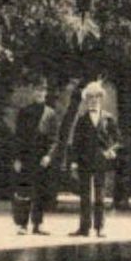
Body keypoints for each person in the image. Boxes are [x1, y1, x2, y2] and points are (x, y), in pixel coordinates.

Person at [68, 80, 121, 238]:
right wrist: (74, 162)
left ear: (100, 99)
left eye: (96, 97)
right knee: (84, 195)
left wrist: (112, 150)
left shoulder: (108, 118)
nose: (93, 100)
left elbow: (118, 140)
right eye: (90, 97)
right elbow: (76, 142)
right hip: (84, 161)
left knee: (100, 195)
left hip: (100, 161)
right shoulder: (82, 118)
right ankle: (84, 228)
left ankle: (100, 228)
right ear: (86, 100)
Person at [10, 82, 57, 235]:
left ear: (46, 93)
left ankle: (38, 224)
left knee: (40, 191)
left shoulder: (50, 113)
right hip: (26, 157)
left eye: (42, 91)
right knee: (24, 192)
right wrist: (17, 158)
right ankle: (22, 225)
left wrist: (49, 155)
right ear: (33, 92)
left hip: (42, 158)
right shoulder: (25, 112)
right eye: (37, 90)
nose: (39, 93)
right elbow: (18, 137)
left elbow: (54, 138)